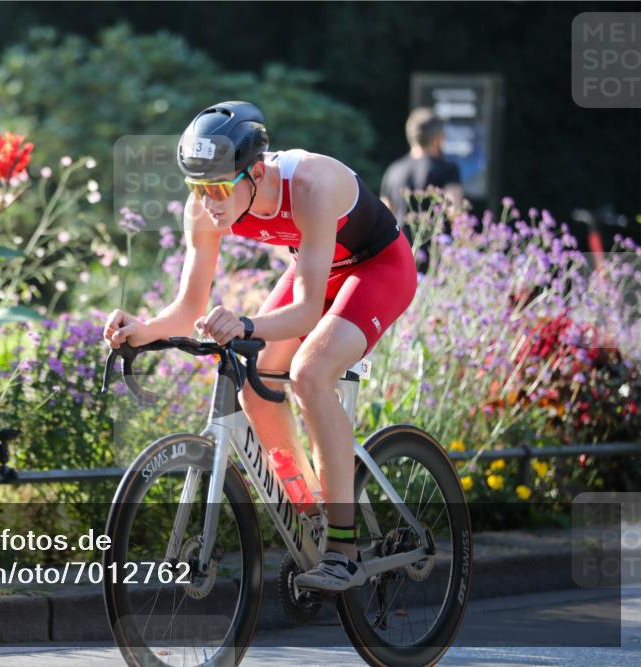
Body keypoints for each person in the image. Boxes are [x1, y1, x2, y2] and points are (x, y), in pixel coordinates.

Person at [103, 101, 418, 592]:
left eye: (219, 186)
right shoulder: (207, 207)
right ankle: (312, 514)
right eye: (197, 187)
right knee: (256, 388)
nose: (208, 201)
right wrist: (141, 330)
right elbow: (189, 306)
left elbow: (308, 311)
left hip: (378, 267)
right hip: (319, 267)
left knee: (310, 374)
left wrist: (246, 322)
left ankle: (343, 547)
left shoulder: (310, 185)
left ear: (255, 170)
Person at [380, 107, 463, 238]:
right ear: (438, 137)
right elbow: (455, 213)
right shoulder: (448, 169)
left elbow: (384, 218)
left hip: (402, 252)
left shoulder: (394, 170)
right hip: (434, 251)